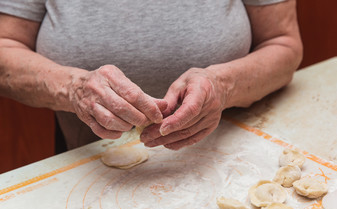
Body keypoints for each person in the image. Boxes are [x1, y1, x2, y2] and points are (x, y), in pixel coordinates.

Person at [0, 0, 302, 152]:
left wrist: (222, 86)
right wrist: (73, 89)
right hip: (91, 168)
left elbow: (283, 44)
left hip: (235, 160)